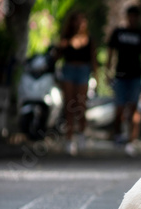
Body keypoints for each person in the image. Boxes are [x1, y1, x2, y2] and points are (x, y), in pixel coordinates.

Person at [106, 5, 141, 156]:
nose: (132, 19)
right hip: (120, 76)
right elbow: (110, 53)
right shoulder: (119, 33)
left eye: (135, 16)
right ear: (127, 17)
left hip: (135, 77)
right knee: (119, 108)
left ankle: (131, 141)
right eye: (130, 16)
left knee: (134, 109)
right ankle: (117, 134)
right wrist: (108, 72)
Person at [58, 11, 98, 155]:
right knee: (69, 105)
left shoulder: (89, 39)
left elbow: (93, 59)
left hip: (83, 71)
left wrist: (97, 76)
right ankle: (69, 139)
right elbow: (58, 54)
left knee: (80, 105)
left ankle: (81, 133)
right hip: (68, 70)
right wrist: (65, 44)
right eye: (77, 20)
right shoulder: (66, 37)